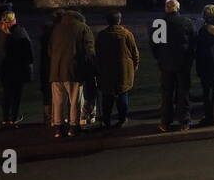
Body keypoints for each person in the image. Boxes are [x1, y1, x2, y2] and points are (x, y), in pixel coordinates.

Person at [47, 8, 94, 138]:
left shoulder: (56, 28)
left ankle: (58, 128)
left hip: (56, 70)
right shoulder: (83, 28)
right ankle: (73, 127)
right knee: (75, 100)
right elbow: (90, 51)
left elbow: (49, 50)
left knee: (58, 101)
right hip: (74, 70)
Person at [153, 0, 195, 131]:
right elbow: (193, 43)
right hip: (183, 63)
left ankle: (165, 121)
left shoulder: (160, 23)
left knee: (167, 93)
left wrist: (160, 57)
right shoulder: (186, 22)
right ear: (178, 8)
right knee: (183, 92)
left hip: (166, 64)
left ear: (166, 8)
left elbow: (155, 45)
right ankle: (184, 121)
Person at [93, 11, 139, 129]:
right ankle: (122, 119)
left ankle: (107, 120)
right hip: (123, 70)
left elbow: (97, 53)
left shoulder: (102, 35)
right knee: (122, 95)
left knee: (107, 97)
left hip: (106, 70)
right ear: (119, 20)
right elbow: (134, 52)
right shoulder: (126, 34)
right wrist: (134, 67)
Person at [0, 11, 35, 126]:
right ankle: (14, 117)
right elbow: (28, 50)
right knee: (16, 94)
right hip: (17, 67)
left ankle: (5, 117)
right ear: (13, 20)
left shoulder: (0, 32)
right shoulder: (19, 32)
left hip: (5, 67)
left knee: (7, 93)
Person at [37, 9, 63, 128]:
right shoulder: (56, 33)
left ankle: (49, 117)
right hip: (53, 67)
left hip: (46, 67)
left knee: (48, 93)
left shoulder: (47, 33)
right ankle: (55, 118)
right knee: (56, 93)